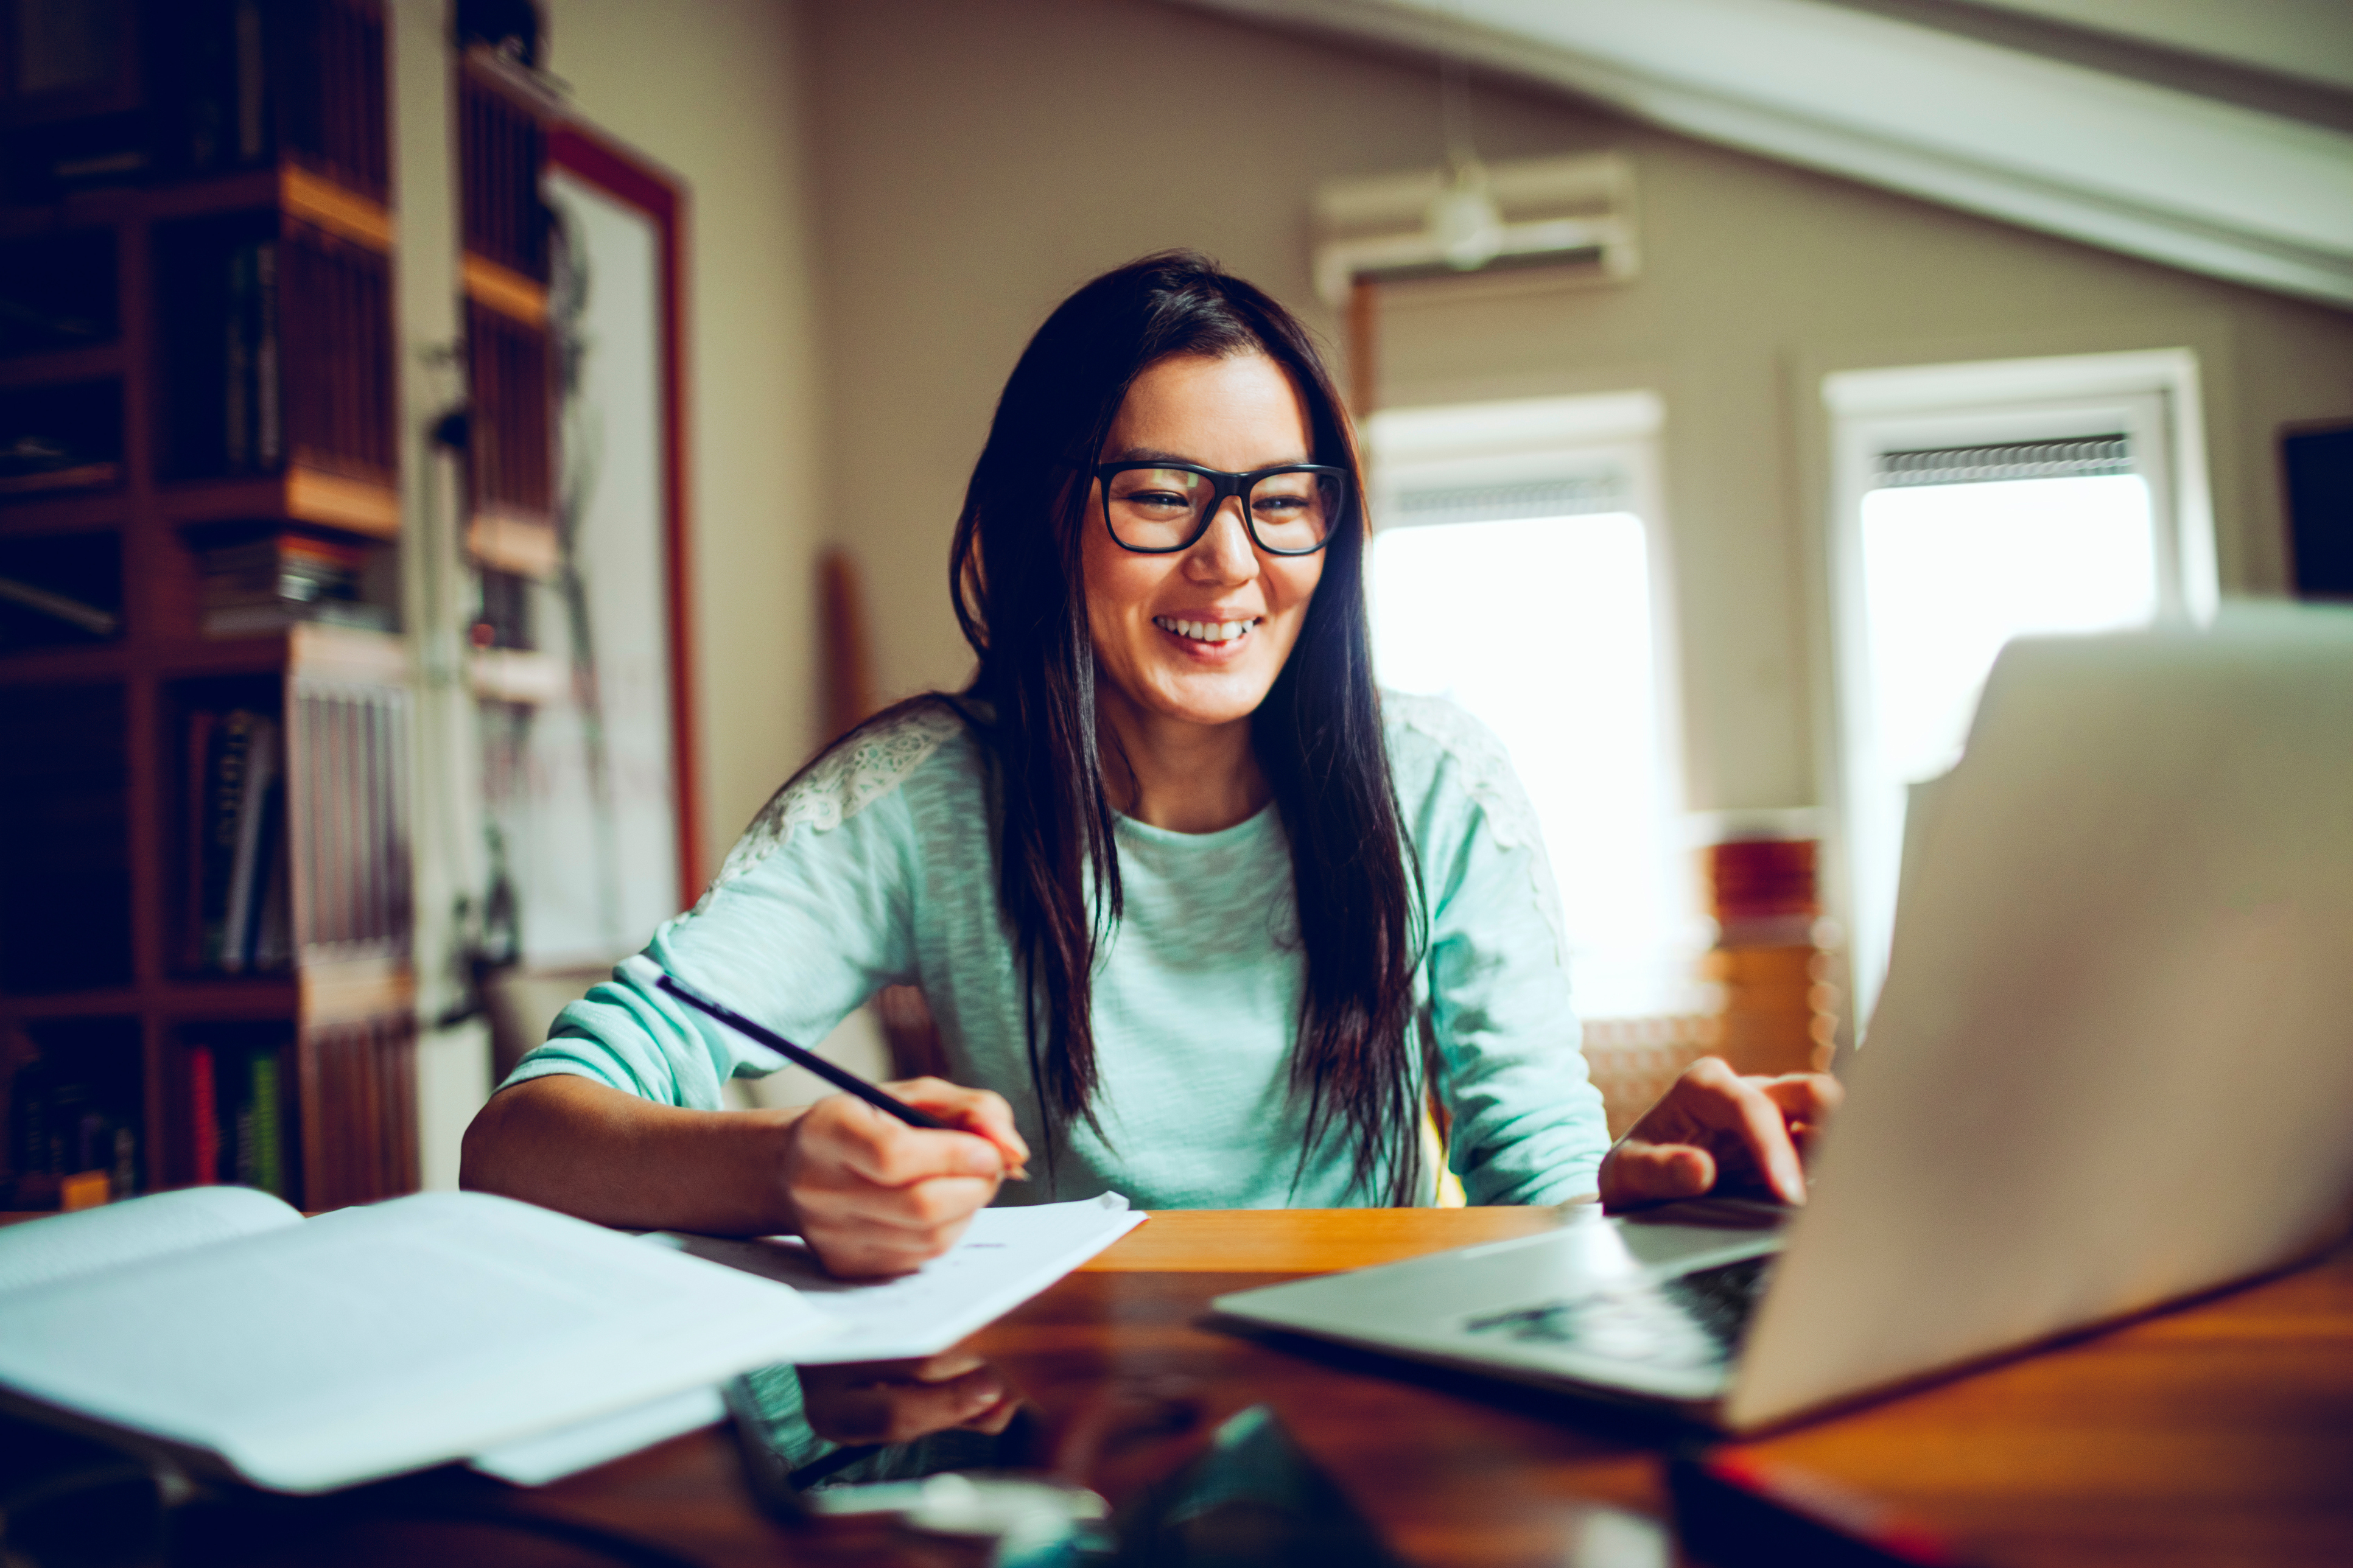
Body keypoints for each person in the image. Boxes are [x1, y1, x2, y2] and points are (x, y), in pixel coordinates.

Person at [461, 251, 1839, 1276]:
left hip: (1368, 1398)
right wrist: (782, 1161)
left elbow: (1535, 1189)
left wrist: (1655, 1185)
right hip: (1050, 1413)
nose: (1231, 560)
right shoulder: (916, 798)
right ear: (1046, 514)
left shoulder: (1440, 789)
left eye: (1280, 500)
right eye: (1162, 494)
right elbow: (518, 1141)